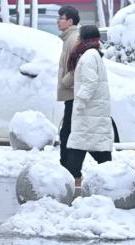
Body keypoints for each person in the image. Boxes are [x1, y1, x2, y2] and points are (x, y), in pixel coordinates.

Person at [65, 25, 113, 185]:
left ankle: (73, 180)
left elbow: (90, 82)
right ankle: (111, 178)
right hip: (93, 111)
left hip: (88, 111)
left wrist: (79, 101)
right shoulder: (93, 54)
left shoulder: (88, 56)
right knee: (95, 148)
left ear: (83, 38)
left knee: (79, 147)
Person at [56, 5, 80, 171]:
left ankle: (67, 166)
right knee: (67, 131)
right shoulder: (68, 38)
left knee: (67, 132)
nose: (58, 21)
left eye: (61, 18)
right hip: (70, 93)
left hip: (72, 92)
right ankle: (68, 165)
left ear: (70, 21)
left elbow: (75, 67)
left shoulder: (73, 39)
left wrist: (64, 82)